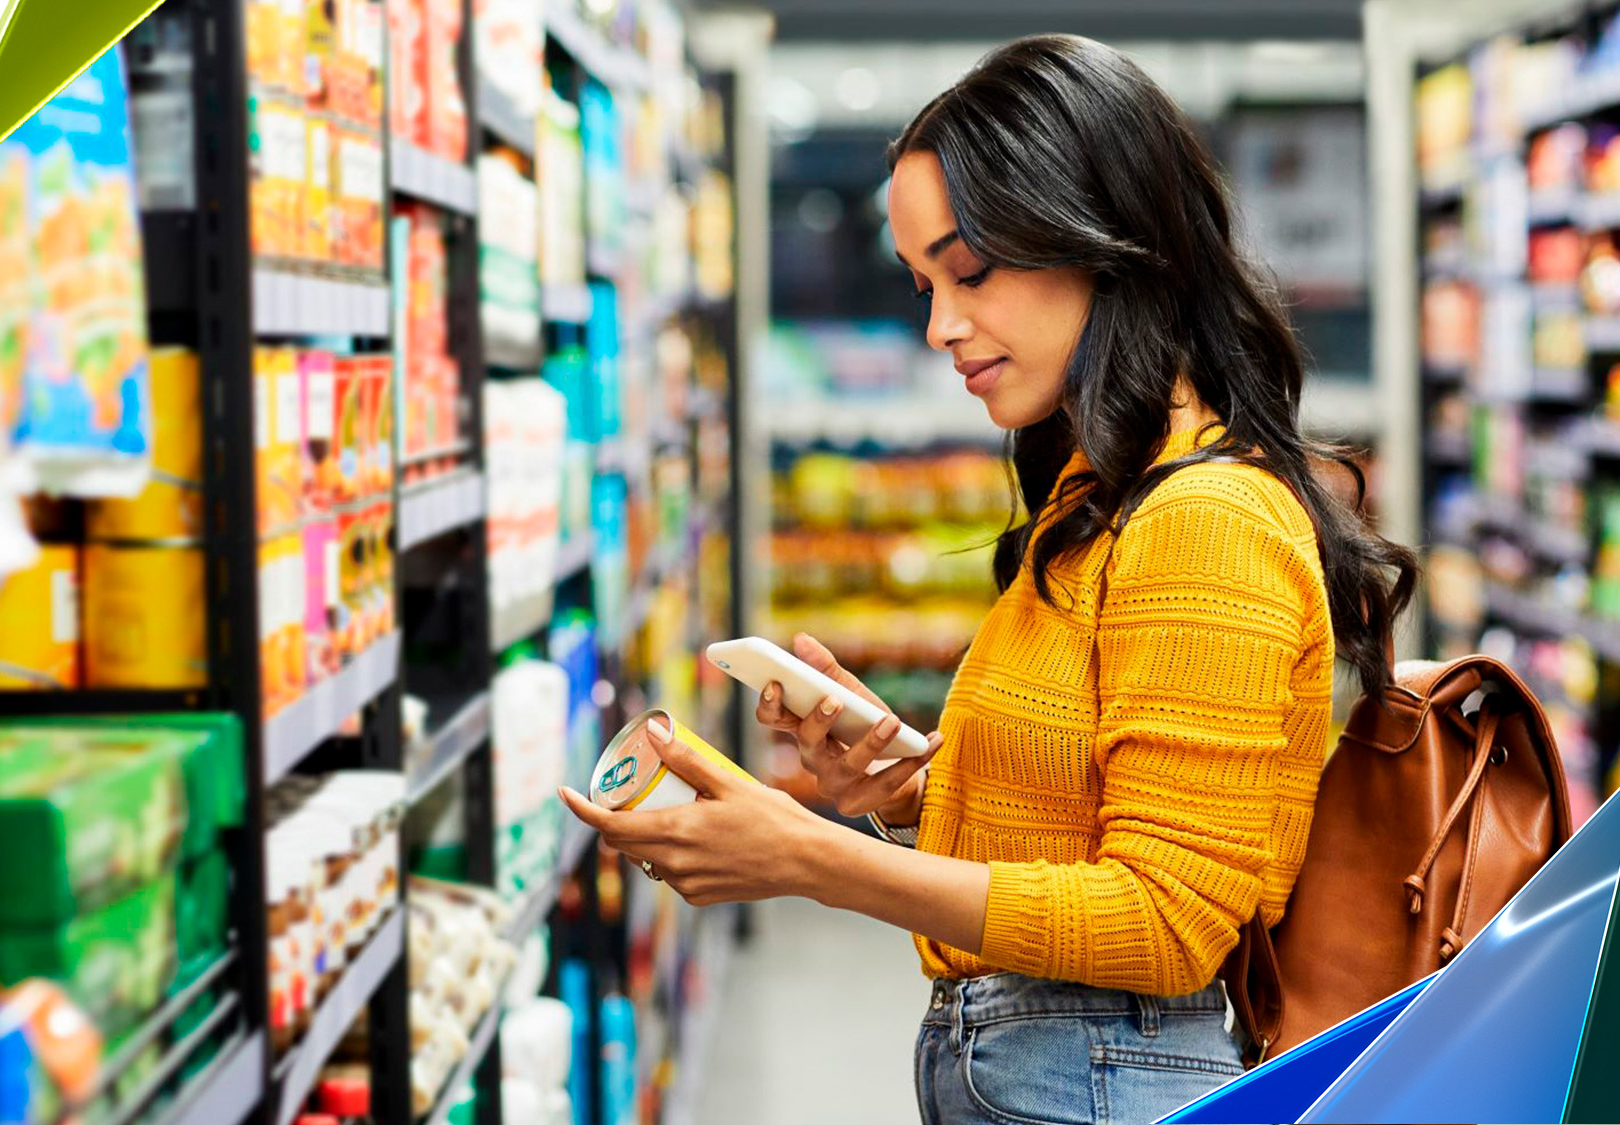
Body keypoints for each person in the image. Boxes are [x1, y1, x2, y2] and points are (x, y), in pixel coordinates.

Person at [560, 33, 1417, 1125]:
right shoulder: (1099, 495)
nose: (938, 326)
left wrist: (812, 860)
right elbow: (1092, 818)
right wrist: (914, 785)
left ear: (1105, 239)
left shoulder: (1205, 517)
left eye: (970, 272)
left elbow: (1164, 923)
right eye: (922, 284)